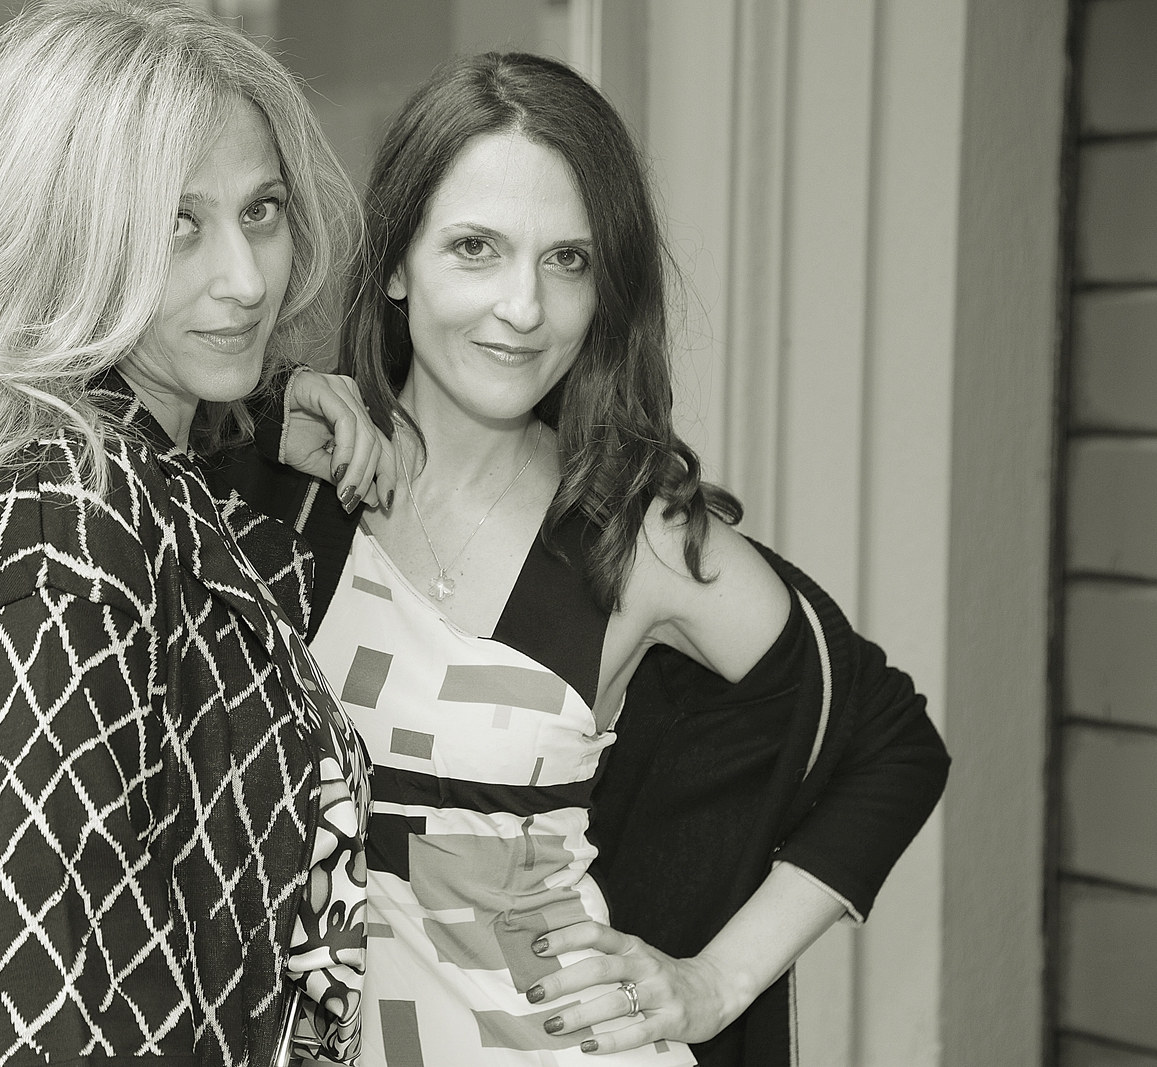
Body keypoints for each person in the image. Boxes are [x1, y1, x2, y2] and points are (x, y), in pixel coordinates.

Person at [218, 52, 949, 1066]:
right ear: (394, 263)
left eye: (567, 260)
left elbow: (895, 740)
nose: (523, 307)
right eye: (475, 248)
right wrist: (259, 403)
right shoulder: (287, 482)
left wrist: (715, 981)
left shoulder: (635, 535)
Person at [0, 3, 401, 1065]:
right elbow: (57, 1017)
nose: (246, 278)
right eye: (178, 223)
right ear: (66, 238)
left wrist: (261, 407)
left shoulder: (141, 475)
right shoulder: (55, 531)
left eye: (262, 210)